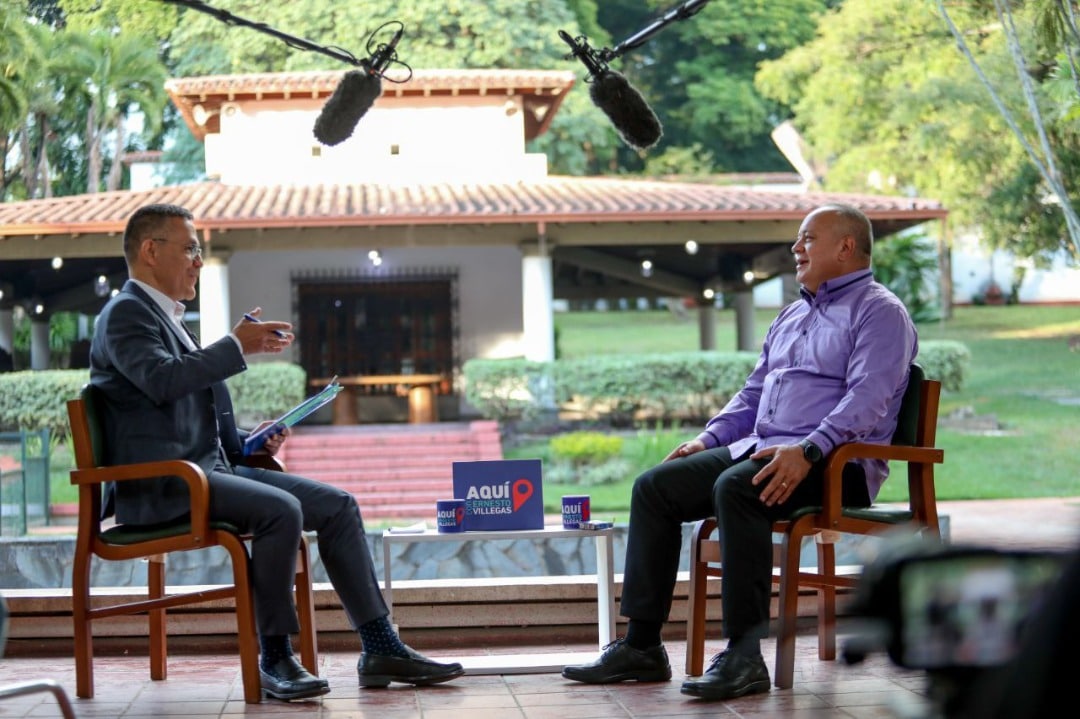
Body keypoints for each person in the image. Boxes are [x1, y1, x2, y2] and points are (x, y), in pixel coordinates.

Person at [89, 203, 464, 702]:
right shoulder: (125, 314)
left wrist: (248, 439)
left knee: (338, 506)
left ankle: (381, 646)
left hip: (208, 471)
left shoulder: (167, 318)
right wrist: (234, 345)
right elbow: (162, 381)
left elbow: (185, 408)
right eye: (191, 249)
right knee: (280, 510)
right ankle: (275, 656)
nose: (199, 260)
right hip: (165, 485)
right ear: (150, 251)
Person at [562, 203, 918, 700]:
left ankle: (745, 657)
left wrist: (808, 450)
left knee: (738, 488)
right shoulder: (792, 315)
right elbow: (752, 395)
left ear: (846, 247)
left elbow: (867, 399)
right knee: (654, 488)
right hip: (764, 449)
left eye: (808, 238)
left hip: (837, 463)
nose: (795, 248)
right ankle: (642, 647)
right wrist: (707, 439)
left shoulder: (880, 312)